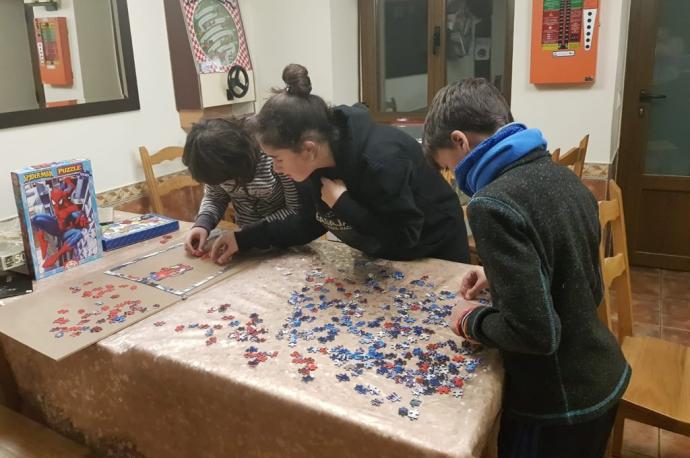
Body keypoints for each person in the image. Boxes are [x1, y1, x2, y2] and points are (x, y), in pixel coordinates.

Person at [423, 78, 630, 458]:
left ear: (460, 142)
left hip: (556, 404)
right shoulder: (562, 176)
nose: (455, 178)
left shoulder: (491, 204)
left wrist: (469, 320)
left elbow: (536, 334)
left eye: (449, 168)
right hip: (601, 375)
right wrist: (499, 274)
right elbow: (576, 280)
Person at [207, 63, 470, 265]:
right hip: (386, 257)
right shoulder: (310, 167)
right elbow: (307, 223)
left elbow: (403, 236)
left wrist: (343, 204)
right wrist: (242, 239)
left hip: (436, 247)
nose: (276, 168)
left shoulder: (382, 159)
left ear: (308, 149)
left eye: (278, 159)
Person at [182, 117, 300, 256]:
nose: (225, 184)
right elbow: (215, 197)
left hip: (287, 239)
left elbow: (295, 210)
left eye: (227, 179)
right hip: (244, 243)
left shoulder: (274, 159)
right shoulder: (215, 166)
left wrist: (247, 236)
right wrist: (202, 224)